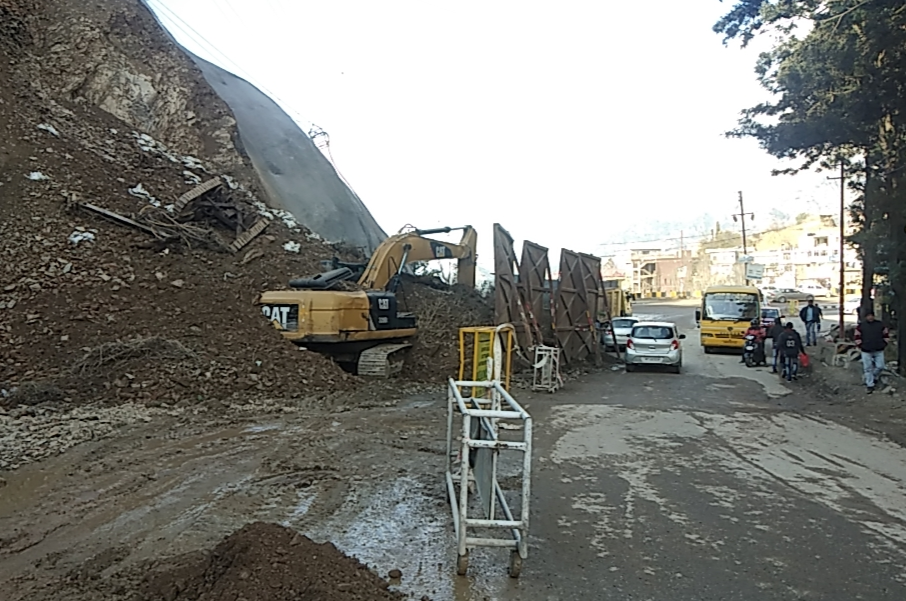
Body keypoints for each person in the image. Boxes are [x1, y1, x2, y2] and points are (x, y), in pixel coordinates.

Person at [854, 311, 890, 394]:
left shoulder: (880, 325)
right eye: (868, 316)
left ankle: (871, 377)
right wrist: (861, 346)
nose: (870, 317)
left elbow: (886, 335)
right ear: (866, 317)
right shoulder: (861, 326)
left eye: (871, 315)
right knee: (867, 368)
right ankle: (870, 385)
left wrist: (884, 344)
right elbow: (857, 337)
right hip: (866, 350)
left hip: (879, 349)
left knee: (880, 366)